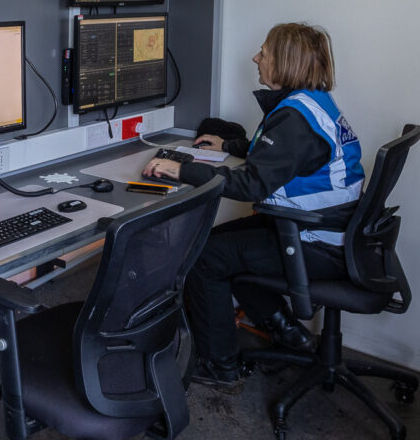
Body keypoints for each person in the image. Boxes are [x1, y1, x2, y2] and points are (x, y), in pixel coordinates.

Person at [144, 23, 364, 391]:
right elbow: (284, 157)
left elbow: (252, 184)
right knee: (216, 245)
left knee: (204, 258)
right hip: (325, 231)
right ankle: (285, 331)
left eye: (264, 53)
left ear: (285, 63)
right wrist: (228, 146)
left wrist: (183, 169)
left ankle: (220, 365)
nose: (255, 58)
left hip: (316, 241)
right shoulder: (312, 102)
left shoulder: (294, 117)